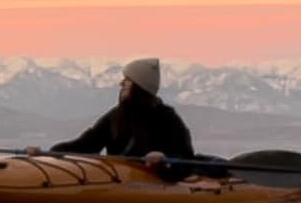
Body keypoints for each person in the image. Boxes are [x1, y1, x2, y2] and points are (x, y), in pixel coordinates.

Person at [29, 57, 195, 171]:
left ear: (139, 87)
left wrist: (164, 159)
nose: (121, 83)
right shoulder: (116, 116)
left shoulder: (167, 118)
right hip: (119, 177)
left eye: (127, 80)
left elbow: (186, 157)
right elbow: (86, 144)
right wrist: (49, 152)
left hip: (153, 180)